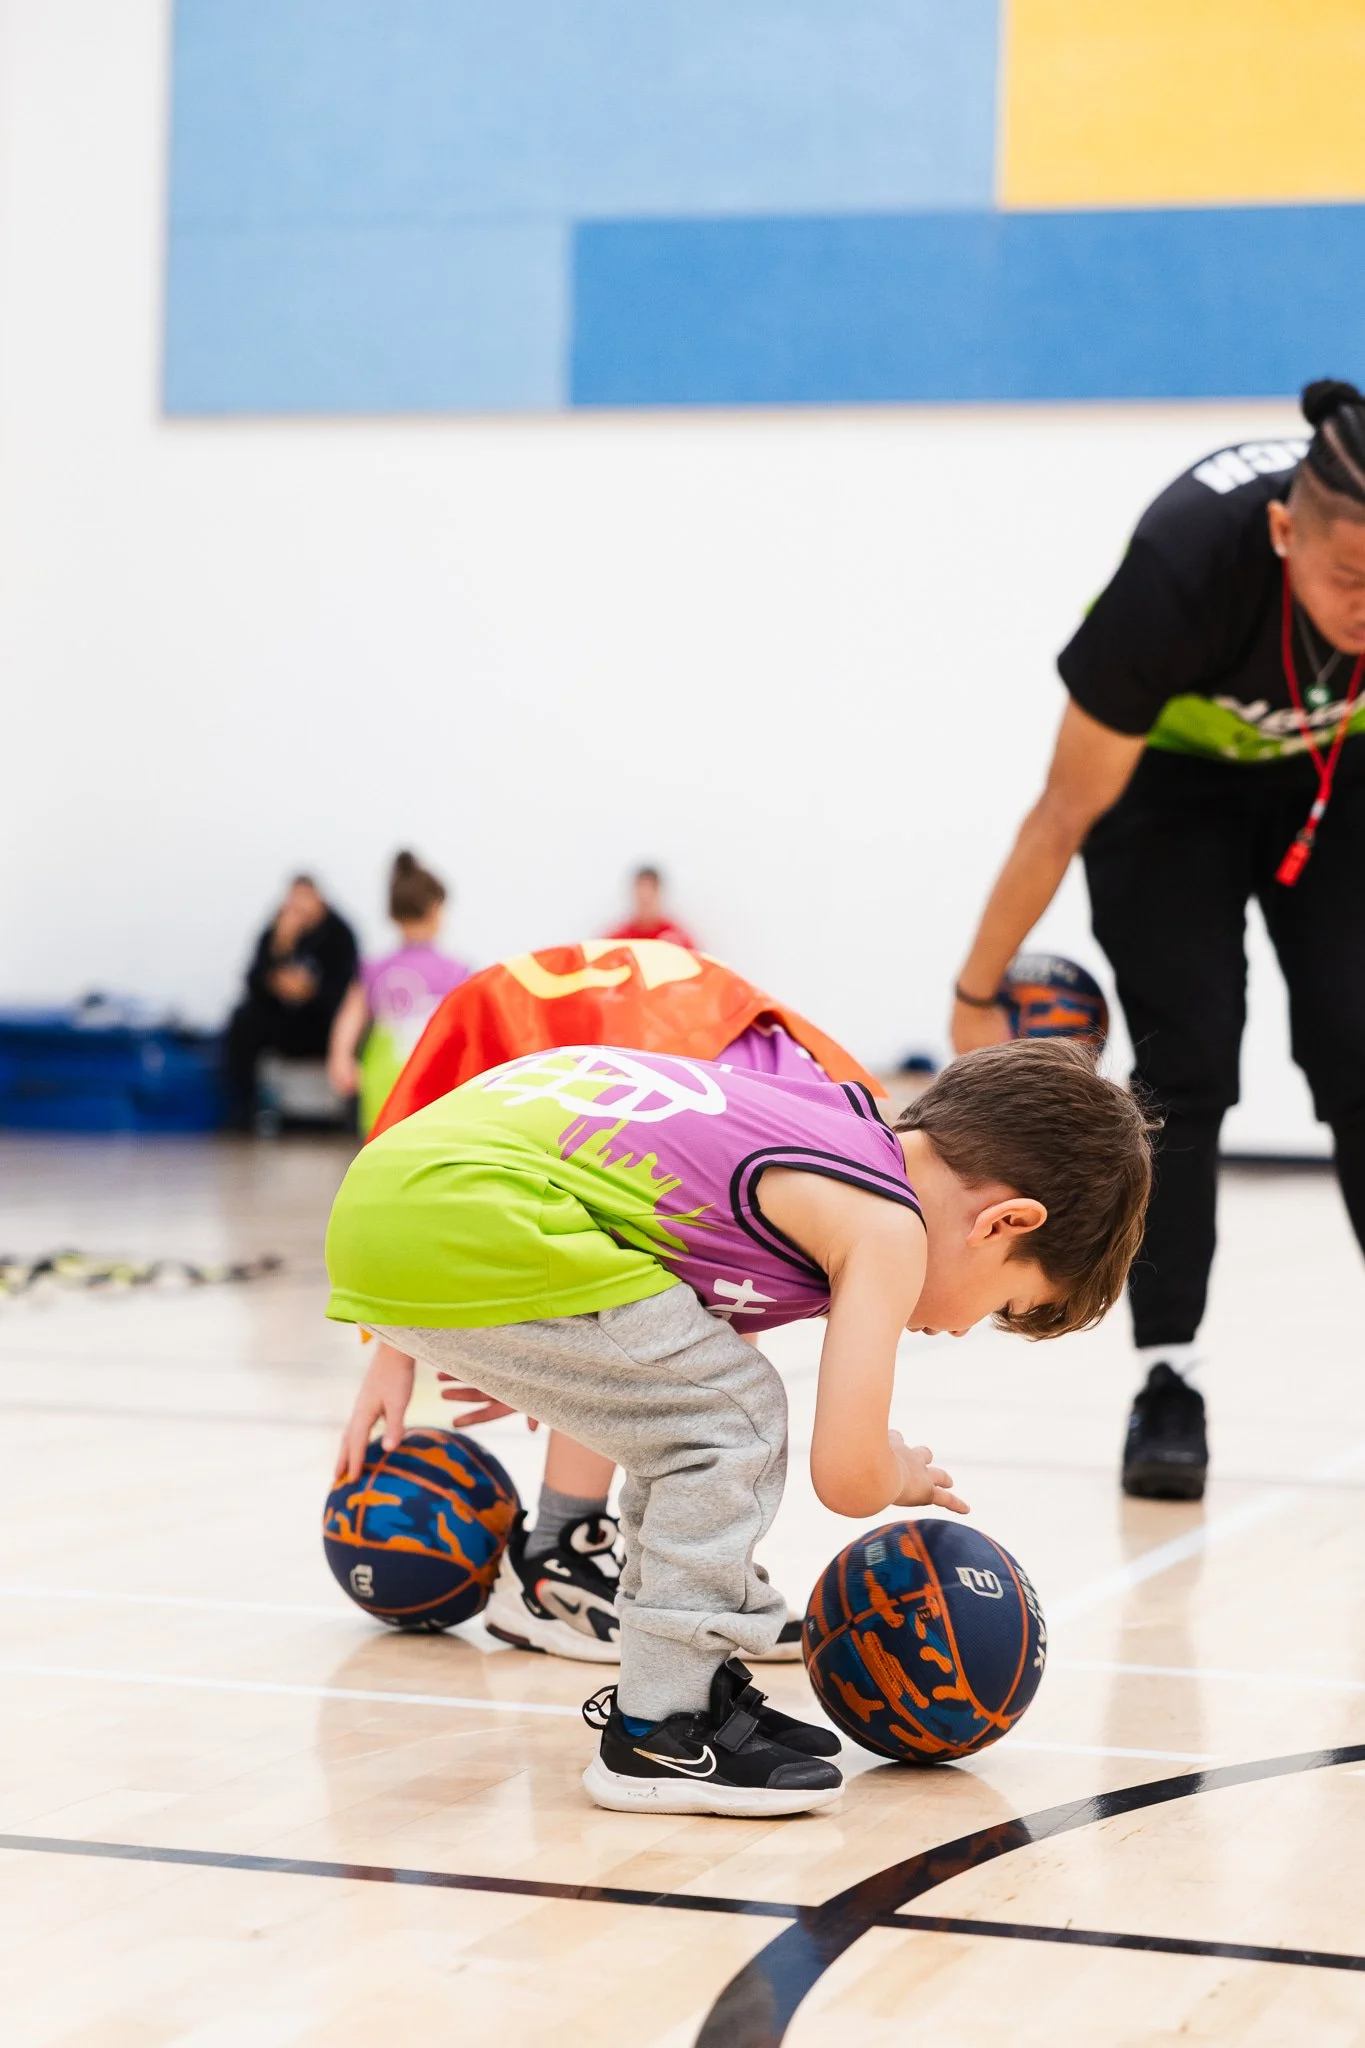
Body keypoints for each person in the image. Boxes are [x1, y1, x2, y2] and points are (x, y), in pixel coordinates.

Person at [327, 1037, 1152, 1816]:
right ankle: (657, 1731)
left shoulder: (832, 1123)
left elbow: (656, 1229)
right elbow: (846, 1475)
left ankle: (684, 1680)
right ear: (1005, 1223)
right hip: (474, 1208)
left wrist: (556, 1357)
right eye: (1006, 1303)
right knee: (734, 1422)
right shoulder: (888, 1226)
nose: (969, 1326)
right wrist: (894, 1472)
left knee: (690, 1415)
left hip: (406, 1188)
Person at [951, 378, 1365, 1502]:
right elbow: (1061, 811)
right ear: (1285, 530)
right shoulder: (1181, 569)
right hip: (1164, 792)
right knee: (1187, 1063)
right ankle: (1167, 1377)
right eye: (1349, 579)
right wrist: (973, 988)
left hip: (1329, 781)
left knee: (1357, 1045)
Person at [364, 935, 885, 1664]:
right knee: (679, 1314)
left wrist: (550, 1359)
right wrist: (438, 1350)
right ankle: (558, 1560)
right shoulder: (824, 1119)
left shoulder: (809, 1107)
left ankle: (671, 1570)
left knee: (693, 1319)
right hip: (629, 1048)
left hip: (637, 1043)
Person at [326, 852, 472, 1134]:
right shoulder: (456, 970)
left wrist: (340, 1057)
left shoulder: (374, 968)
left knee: (380, 1150)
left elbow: (350, 1016)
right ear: (436, 909)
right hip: (437, 1079)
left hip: (382, 1077)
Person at [223, 876, 358, 1130]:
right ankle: (243, 1111)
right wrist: (280, 949)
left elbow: (348, 987)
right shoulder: (275, 932)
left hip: (323, 1023)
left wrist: (311, 991)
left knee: (350, 1024)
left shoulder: (339, 934)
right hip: (284, 1023)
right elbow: (253, 982)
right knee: (242, 1021)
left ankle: (348, 1117)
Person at [605, 865, 696, 948]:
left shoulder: (679, 940)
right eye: (641, 898)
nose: (645, 896)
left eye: (650, 897)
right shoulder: (616, 941)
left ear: (658, 893)